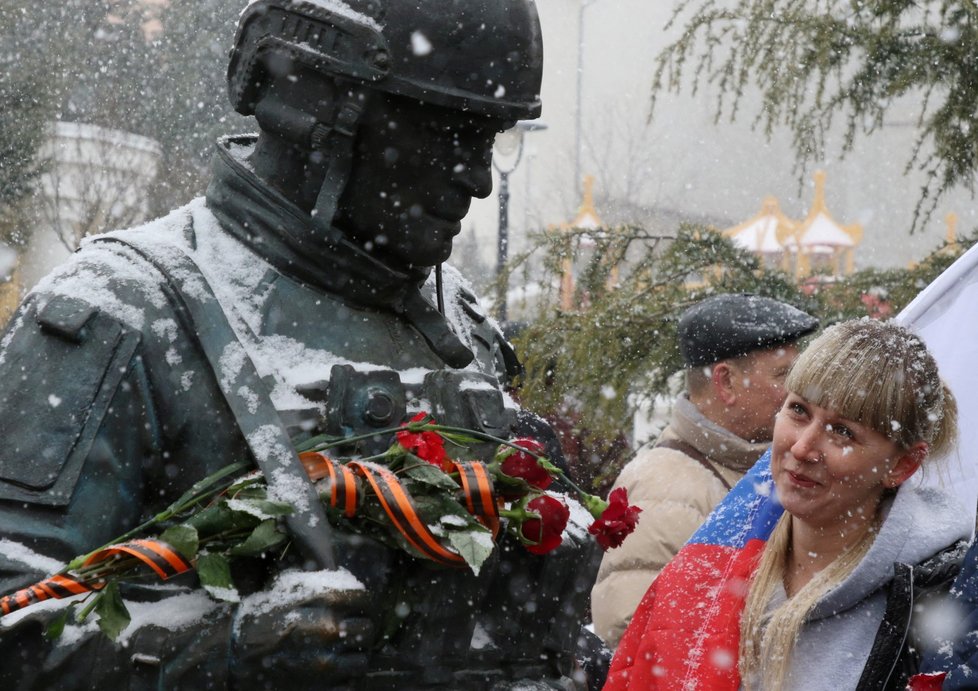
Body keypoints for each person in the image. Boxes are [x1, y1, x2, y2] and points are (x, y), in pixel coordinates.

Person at [0, 1, 599, 689]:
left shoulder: (460, 321)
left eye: (487, 140)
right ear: (318, 115)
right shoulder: (122, 309)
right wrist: (209, 655)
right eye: (446, 134)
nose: (477, 178)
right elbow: (13, 617)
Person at [605, 318, 971, 690]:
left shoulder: (947, 599)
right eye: (798, 411)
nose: (801, 447)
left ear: (902, 465)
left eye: (842, 431)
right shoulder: (718, 556)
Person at [590, 293, 817, 647]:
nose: (798, 393)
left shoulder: (750, 467)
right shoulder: (666, 488)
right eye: (784, 375)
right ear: (725, 382)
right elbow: (638, 642)